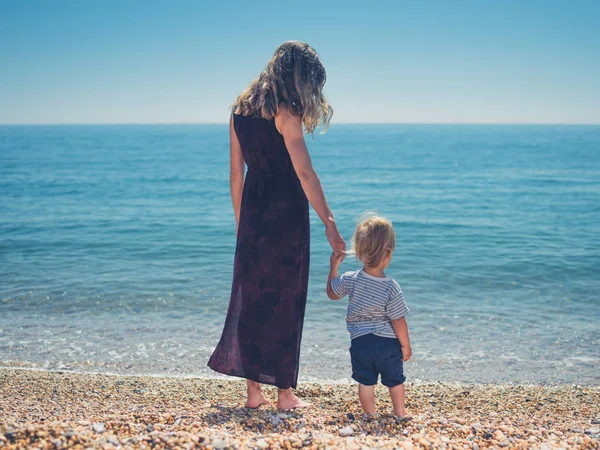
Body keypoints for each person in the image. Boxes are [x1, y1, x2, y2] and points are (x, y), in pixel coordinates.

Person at [208, 41, 346, 410]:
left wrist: (241, 222)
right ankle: (285, 395)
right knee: (287, 298)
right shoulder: (287, 111)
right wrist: (330, 224)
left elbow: (236, 172)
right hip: (286, 213)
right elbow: (304, 172)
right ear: (298, 77)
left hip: (253, 210)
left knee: (252, 300)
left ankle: (254, 393)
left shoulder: (240, 109)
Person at [327, 215, 412, 417]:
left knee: (365, 382)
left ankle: (370, 415)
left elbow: (332, 293)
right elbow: (398, 320)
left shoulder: (350, 279)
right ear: (388, 253)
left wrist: (334, 267)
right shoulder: (391, 286)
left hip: (361, 343)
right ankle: (399, 414)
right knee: (395, 381)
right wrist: (405, 346)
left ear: (358, 252)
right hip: (387, 345)